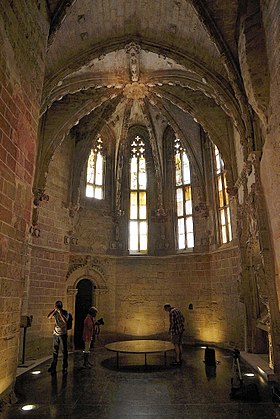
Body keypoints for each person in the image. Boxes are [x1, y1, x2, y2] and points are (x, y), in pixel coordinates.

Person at [47, 300, 69, 375]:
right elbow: (49, 317)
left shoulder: (65, 312)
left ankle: (65, 367)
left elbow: (65, 321)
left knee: (64, 351)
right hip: (56, 333)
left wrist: (60, 313)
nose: (58, 307)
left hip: (63, 334)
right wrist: (54, 310)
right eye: (57, 305)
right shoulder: (55, 312)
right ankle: (53, 367)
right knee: (55, 351)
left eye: (58, 305)